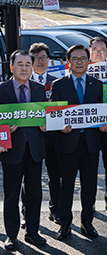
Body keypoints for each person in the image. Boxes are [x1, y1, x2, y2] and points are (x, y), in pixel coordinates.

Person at [51, 44, 107, 241]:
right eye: (75, 59)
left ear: (88, 61)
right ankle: (65, 224)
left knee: (90, 186)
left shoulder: (98, 85)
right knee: (66, 186)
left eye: (83, 58)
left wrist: (104, 124)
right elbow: (53, 115)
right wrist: (59, 125)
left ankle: (87, 223)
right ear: (68, 62)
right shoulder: (59, 85)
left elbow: (103, 113)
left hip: (91, 143)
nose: (79, 62)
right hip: (67, 143)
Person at [1, 50, 47, 250]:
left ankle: (32, 232)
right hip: (11, 150)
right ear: (12, 67)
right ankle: (11, 235)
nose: (24, 68)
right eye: (20, 64)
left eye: (28, 64)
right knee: (11, 195)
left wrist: (46, 125)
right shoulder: (2, 89)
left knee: (34, 193)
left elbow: (45, 114)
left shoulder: (39, 88)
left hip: (35, 148)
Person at [29, 42, 60, 223]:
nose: (40, 61)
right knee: (30, 179)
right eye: (36, 58)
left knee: (55, 176)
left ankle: (54, 209)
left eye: (43, 57)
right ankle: (28, 215)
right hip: (30, 137)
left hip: (54, 137)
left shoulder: (57, 81)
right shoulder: (23, 80)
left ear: (49, 60)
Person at [89, 36, 107, 216]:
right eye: (95, 50)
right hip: (89, 128)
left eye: (102, 50)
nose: (99, 53)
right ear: (89, 52)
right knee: (89, 167)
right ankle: (89, 202)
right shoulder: (79, 72)